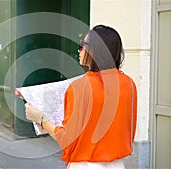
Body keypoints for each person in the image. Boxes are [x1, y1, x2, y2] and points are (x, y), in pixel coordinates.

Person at [25, 25, 137, 169]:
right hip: (118, 164)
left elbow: (67, 140)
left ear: (94, 50)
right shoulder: (130, 84)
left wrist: (40, 118)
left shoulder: (80, 87)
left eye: (82, 45)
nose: (79, 50)